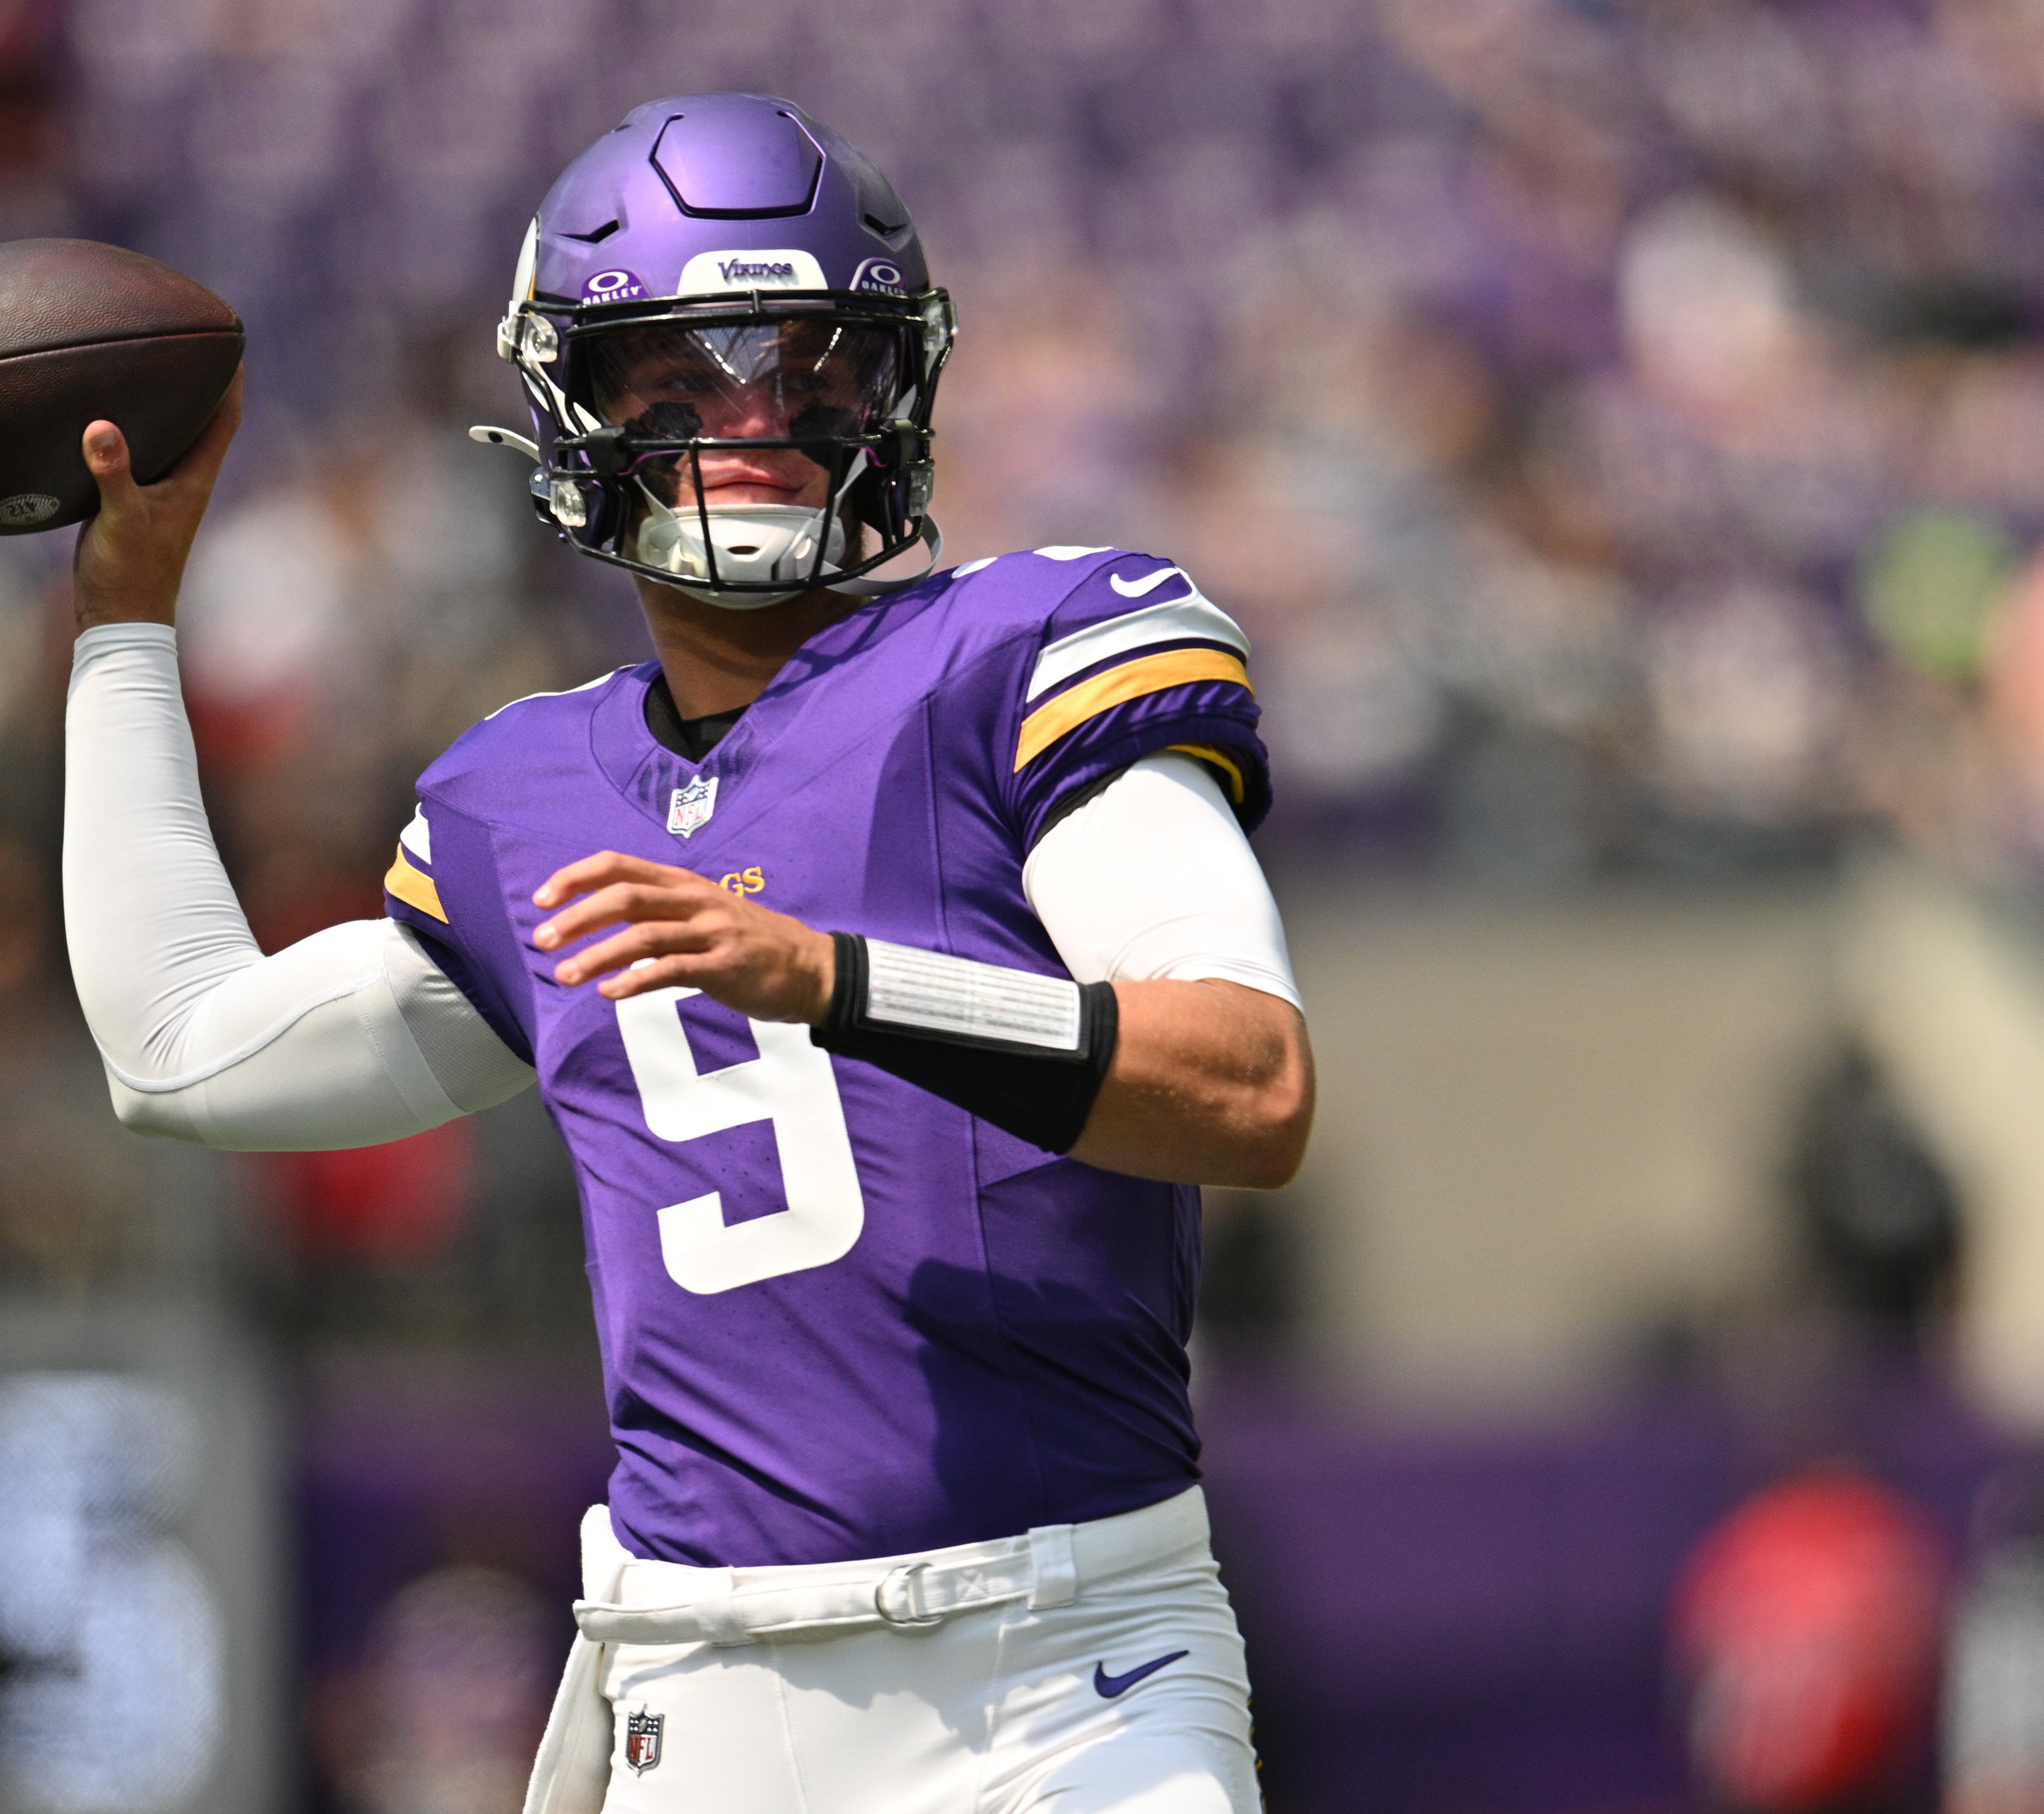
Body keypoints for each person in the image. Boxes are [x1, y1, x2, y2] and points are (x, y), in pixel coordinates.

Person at [64, 92, 1312, 1814]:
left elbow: (1249, 1086)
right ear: (574, 410)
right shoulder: (523, 794)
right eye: (678, 381)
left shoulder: (1027, 653)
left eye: (814, 372)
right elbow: (178, 1052)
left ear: (898, 391)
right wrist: (124, 628)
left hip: (1069, 1667)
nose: (756, 426)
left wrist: (833, 978)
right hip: (701, 1685)